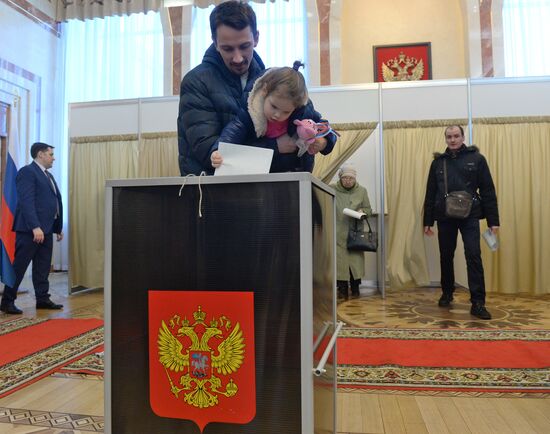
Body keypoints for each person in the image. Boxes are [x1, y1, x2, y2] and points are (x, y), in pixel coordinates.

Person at [423, 125, 499, 320]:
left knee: (473, 255)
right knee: (445, 256)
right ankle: (447, 292)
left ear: (463, 137)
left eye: (456, 136)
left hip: (470, 215)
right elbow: (431, 193)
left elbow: (488, 191)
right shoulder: (438, 163)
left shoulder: (477, 159)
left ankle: (478, 302)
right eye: (449, 137)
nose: (453, 140)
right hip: (445, 216)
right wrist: (428, 221)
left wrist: (493, 221)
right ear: (445, 139)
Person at [210, 61, 336, 173]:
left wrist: (325, 141)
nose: (277, 115)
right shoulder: (250, 114)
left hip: (296, 173)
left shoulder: (305, 113)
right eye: (274, 106)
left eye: (286, 112)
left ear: (296, 107)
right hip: (262, 174)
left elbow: (328, 130)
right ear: (264, 91)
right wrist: (218, 151)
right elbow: (232, 132)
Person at [0, 142, 64, 314]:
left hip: (47, 229)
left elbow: (53, 202)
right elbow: (27, 201)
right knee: (20, 266)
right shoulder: (27, 172)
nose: (53, 158)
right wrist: (35, 226)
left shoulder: (47, 175)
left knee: (42, 267)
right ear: (40, 154)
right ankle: (7, 301)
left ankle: (42, 299)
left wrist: (57, 227)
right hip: (31, 230)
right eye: (51, 154)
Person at [331, 164, 372, 300]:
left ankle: (355, 287)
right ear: (340, 178)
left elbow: (368, 210)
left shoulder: (362, 191)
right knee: (340, 263)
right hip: (338, 232)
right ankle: (342, 289)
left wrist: (363, 212)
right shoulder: (332, 189)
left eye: (351, 178)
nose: (348, 181)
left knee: (355, 262)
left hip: (355, 232)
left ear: (355, 179)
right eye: (345, 178)